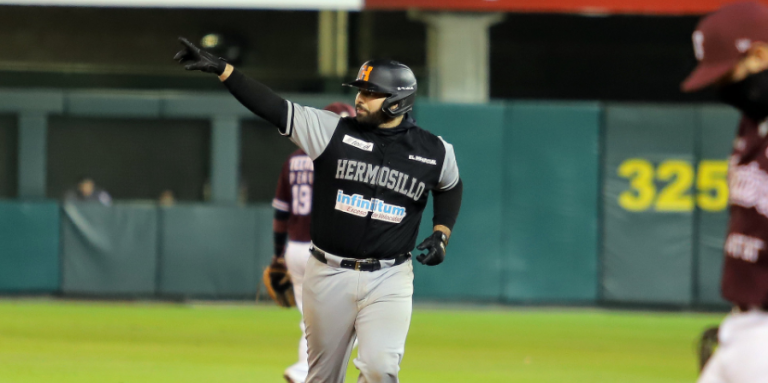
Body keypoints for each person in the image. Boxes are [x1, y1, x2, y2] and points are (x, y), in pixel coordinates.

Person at [175, 38, 463, 383]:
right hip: (328, 274)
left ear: (398, 100)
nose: (359, 98)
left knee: (380, 369)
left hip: (390, 276)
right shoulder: (330, 131)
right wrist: (224, 70)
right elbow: (274, 107)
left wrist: (441, 232)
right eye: (360, 89)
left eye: (370, 92)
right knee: (322, 378)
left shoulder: (435, 151)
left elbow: (450, 186)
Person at [681, 2, 768, 382]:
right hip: (747, 323)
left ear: (761, 54)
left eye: (729, 72)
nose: (723, 86)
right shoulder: (753, 125)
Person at [271, 102, 356, 383]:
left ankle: (304, 370)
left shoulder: (293, 158)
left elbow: (281, 211)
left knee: (313, 319)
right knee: (351, 319)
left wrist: (277, 254)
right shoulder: (343, 159)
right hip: (324, 250)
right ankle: (306, 371)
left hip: (294, 247)